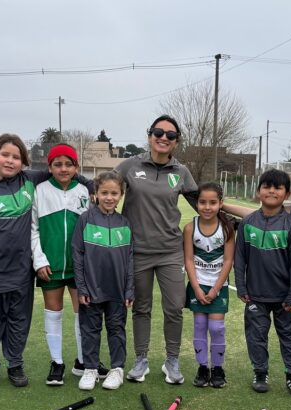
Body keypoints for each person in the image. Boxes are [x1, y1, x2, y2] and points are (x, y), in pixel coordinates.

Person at [0, 134, 93, 390]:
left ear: (24, 162)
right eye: (5, 155)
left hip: (22, 269)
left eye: (16, 157)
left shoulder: (29, 180)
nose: (10, 161)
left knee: (19, 320)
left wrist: (92, 185)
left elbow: (69, 171)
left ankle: (15, 363)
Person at [115, 114, 198, 384]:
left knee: (174, 308)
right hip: (137, 251)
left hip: (170, 252)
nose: (164, 138)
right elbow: (104, 188)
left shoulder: (181, 172)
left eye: (170, 135)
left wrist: (238, 217)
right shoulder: (130, 165)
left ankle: (172, 361)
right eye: (158, 133)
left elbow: (203, 203)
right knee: (141, 308)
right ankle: (141, 360)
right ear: (149, 135)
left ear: (176, 142)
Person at [31, 143, 108, 385]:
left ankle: (83, 361)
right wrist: (39, 260)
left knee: (83, 313)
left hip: (80, 266)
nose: (63, 169)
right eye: (58, 164)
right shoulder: (40, 191)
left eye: (68, 164)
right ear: (50, 167)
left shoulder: (85, 191)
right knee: (53, 312)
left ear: (76, 167)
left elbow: (94, 228)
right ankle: (57, 362)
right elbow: (33, 229)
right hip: (50, 266)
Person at [234, 169, 291, 398]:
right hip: (255, 295)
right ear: (258, 191)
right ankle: (260, 373)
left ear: (287, 194)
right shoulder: (247, 223)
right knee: (256, 336)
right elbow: (239, 257)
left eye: (278, 188)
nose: (272, 191)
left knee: (290, 337)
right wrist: (241, 285)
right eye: (267, 186)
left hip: (284, 298)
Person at [72, 172, 134, 391]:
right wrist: (81, 287)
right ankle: (90, 369)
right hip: (91, 289)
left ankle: (117, 369)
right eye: (104, 192)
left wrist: (129, 289)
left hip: (117, 290)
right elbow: (77, 255)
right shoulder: (85, 219)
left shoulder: (124, 223)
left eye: (114, 193)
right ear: (95, 194)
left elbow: (130, 259)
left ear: (121, 195)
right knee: (90, 329)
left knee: (116, 329)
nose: (109, 197)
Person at [183, 183, 235, 388]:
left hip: (218, 286)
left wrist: (215, 289)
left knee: (216, 327)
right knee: (199, 326)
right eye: (202, 202)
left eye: (212, 202)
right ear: (196, 203)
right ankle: (203, 367)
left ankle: (218, 368)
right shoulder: (190, 228)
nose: (207, 207)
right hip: (198, 285)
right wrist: (196, 288)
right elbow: (188, 259)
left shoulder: (226, 228)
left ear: (221, 203)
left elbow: (228, 261)